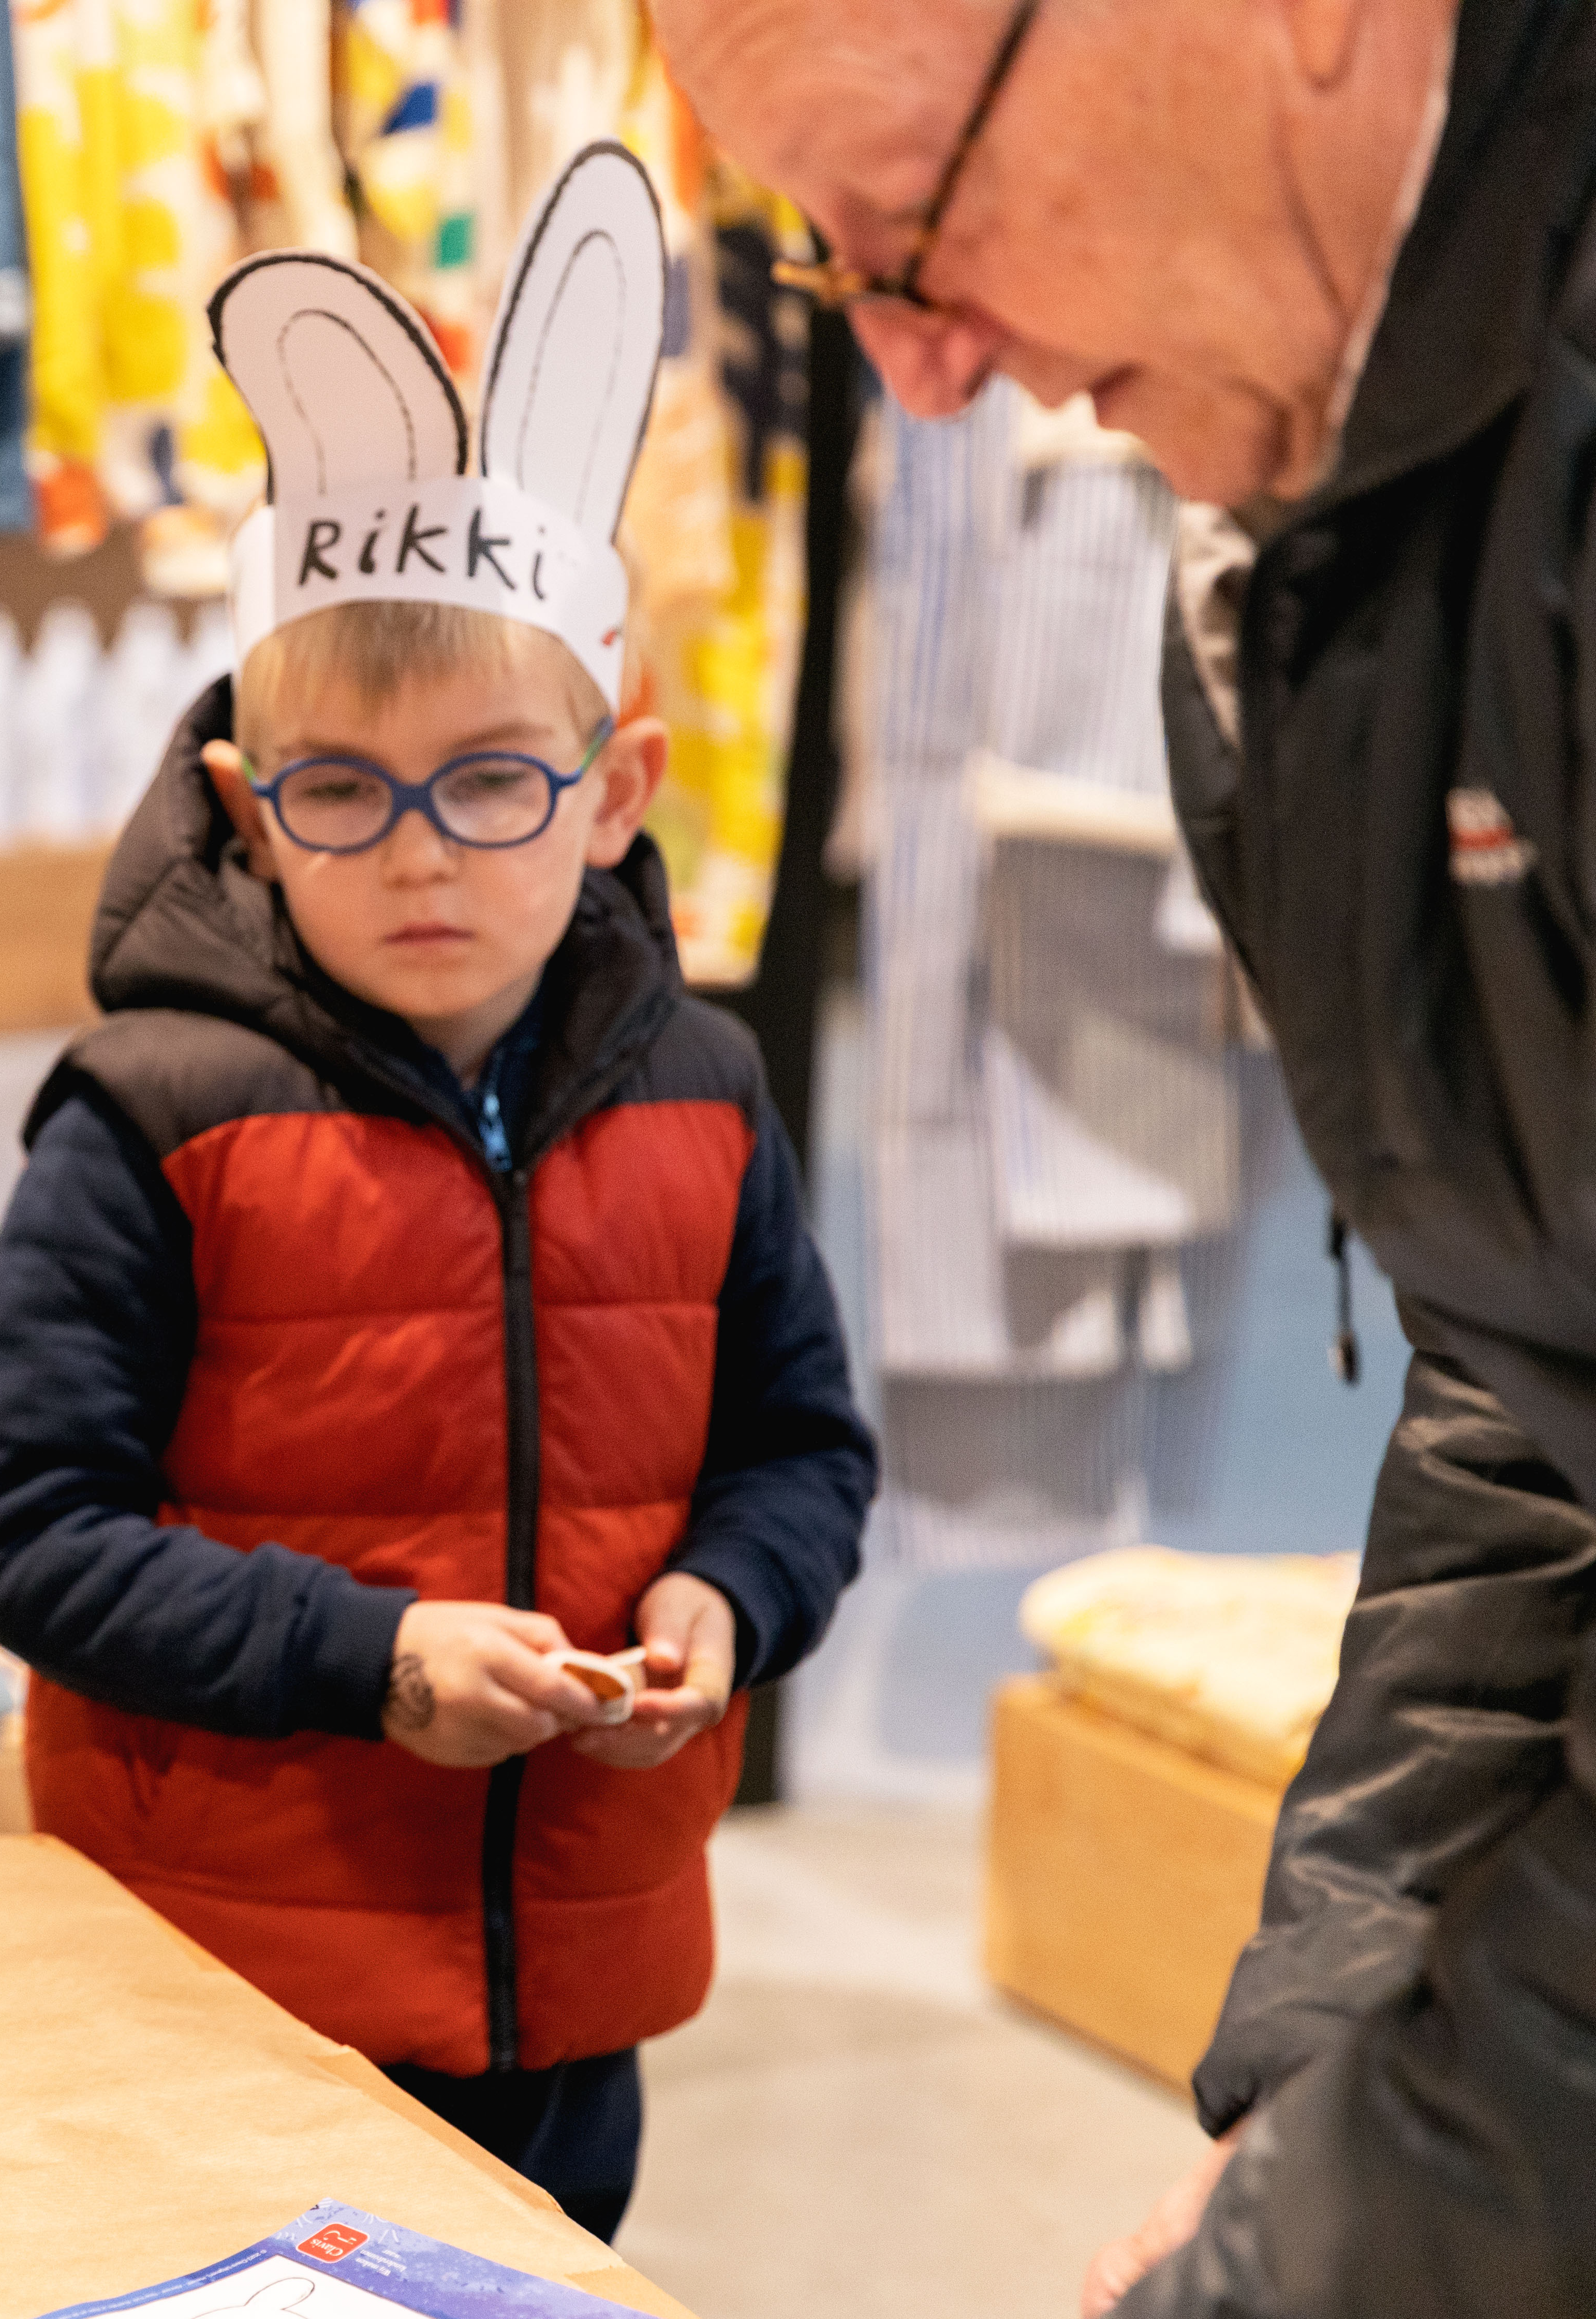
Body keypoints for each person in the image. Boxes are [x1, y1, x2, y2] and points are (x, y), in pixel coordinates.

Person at [653, 1, 1596, 2309]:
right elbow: (1529, 1374)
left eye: (924, 227)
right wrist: (1320, 2065)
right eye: (843, 276)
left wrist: (1340, 2221)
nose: (930, 374)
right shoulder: (1286, 557)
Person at [0, 172, 875, 2242]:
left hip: (580, 1982)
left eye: (494, 780)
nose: (423, 854)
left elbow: (804, 1450)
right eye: (342, 791)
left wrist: (735, 1602)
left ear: (617, 787)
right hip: (220, 1976)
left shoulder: (712, 1099)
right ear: (245, 817)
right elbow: (22, 1531)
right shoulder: (150, 1117)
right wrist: (366, 1658)